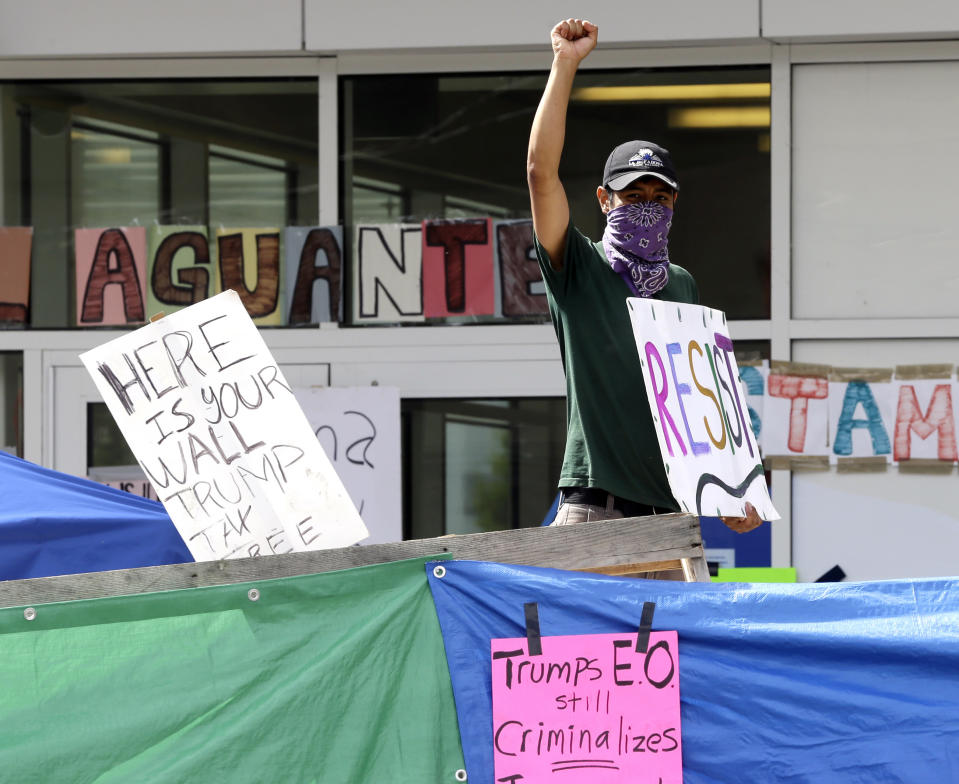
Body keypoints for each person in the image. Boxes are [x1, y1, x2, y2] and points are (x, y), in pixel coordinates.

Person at [528, 17, 763, 535]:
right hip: (594, 511)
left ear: (676, 202)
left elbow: (702, 404)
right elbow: (540, 174)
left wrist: (736, 491)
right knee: (591, 624)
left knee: (687, 623)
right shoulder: (578, 268)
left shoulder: (682, 286)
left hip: (673, 518)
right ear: (603, 199)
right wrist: (565, 64)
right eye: (633, 197)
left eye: (659, 198)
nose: (646, 208)